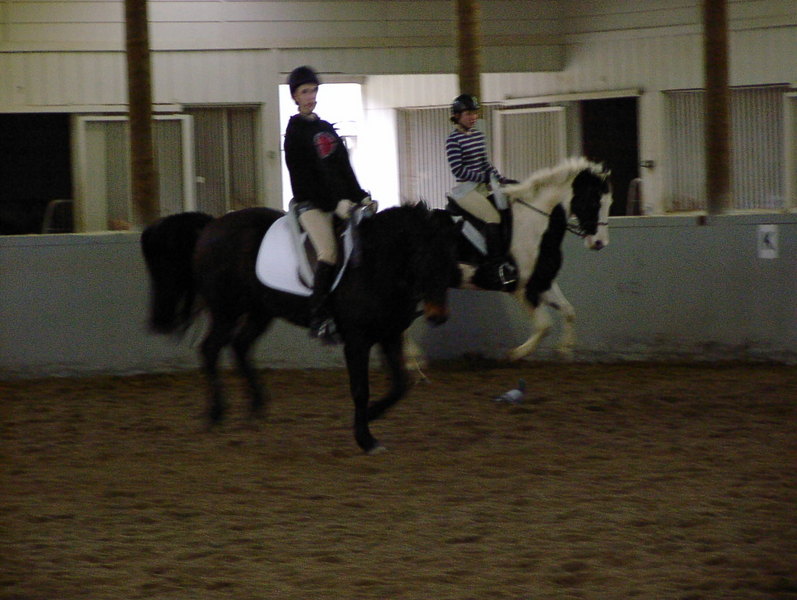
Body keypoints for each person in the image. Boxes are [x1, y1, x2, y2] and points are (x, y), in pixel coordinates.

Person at [283, 65, 371, 341]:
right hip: (311, 205)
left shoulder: (326, 128)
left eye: (313, 90)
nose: (311, 96)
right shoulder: (294, 133)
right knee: (329, 252)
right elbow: (302, 178)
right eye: (305, 92)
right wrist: (334, 203)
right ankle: (318, 317)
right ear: (295, 96)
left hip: (340, 202)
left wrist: (360, 195)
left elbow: (343, 167)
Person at [446, 93, 517, 289]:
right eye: (468, 114)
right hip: (465, 190)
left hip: (484, 186)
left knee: (508, 209)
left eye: (474, 113)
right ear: (457, 116)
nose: (473, 117)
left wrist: (499, 178)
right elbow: (458, 170)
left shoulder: (478, 135)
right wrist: (483, 178)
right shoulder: (453, 140)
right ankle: (496, 267)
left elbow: (485, 163)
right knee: (492, 217)